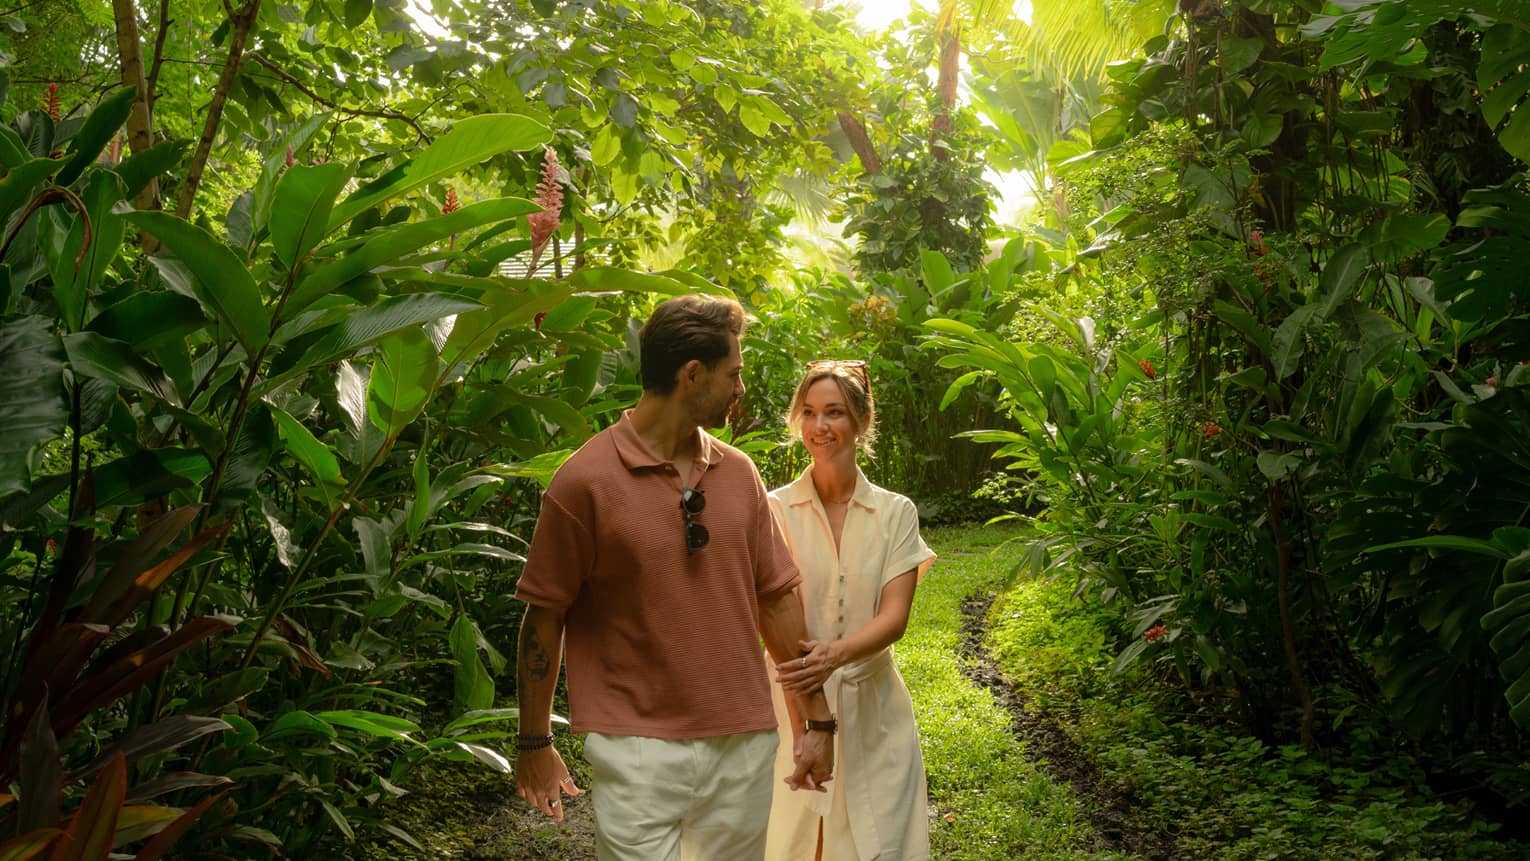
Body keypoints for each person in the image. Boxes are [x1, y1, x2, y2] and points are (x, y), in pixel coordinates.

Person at [513, 294, 837, 861]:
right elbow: (544, 617)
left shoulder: (739, 475)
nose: (741, 388)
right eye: (733, 374)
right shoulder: (582, 483)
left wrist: (818, 721)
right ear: (693, 375)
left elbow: (778, 602)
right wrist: (534, 741)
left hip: (741, 743)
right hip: (635, 751)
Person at [764, 359, 936, 861]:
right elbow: (773, 608)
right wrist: (813, 678)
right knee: (795, 838)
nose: (821, 427)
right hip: (792, 702)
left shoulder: (895, 511)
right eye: (810, 413)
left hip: (876, 705)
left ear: (861, 421)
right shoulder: (774, 509)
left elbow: (894, 618)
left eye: (835, 413)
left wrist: (833, 655)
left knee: (881, 840)